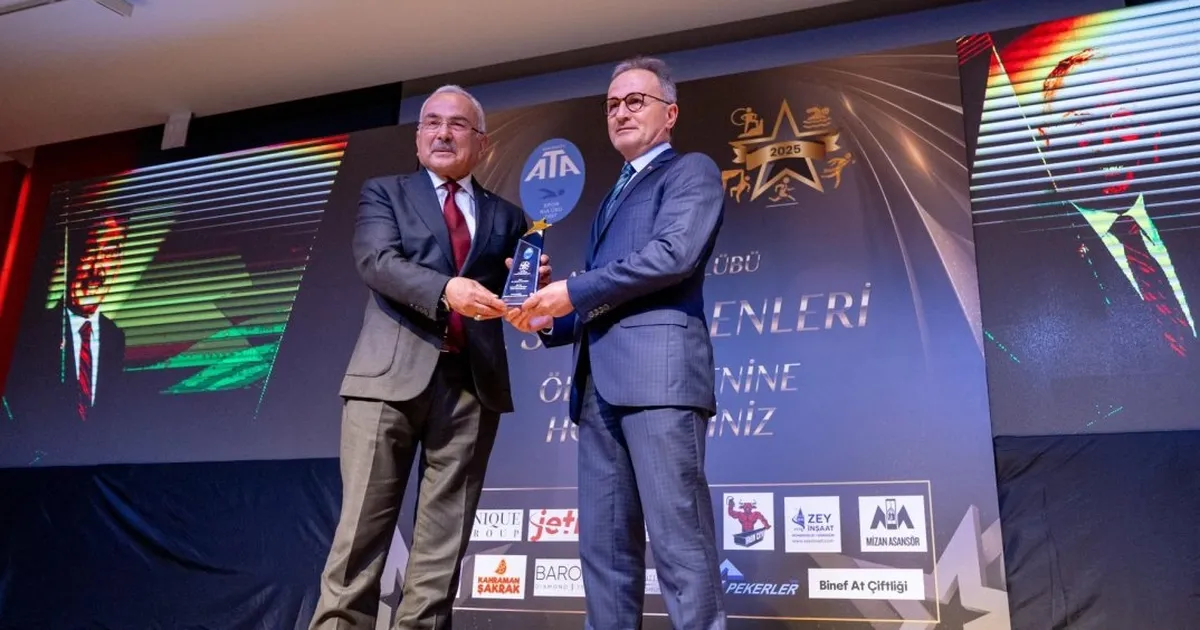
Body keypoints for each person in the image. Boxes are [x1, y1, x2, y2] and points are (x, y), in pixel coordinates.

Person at [309, 84, 549, 630]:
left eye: (457, 124)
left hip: (470, 387)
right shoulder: (385, 193)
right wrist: (446, 290)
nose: (443, 133)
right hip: (386, 384)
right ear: (418, 137)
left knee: (442, 550)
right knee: (360, 538)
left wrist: (531, 291)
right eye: (432, 123)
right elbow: (376, 261)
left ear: (482, 143)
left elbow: (510, 295)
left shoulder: (509, 216)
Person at [512, 56, 728, 630]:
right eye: (612, 104)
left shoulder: (691, 171)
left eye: (636, 101)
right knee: (604, 557)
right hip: (597, 393)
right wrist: (544, 315)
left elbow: (672, 257)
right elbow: (604, 298)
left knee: (682, 549)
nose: (621, 113)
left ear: (670, 114)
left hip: (660, 383)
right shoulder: (614, 194)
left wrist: (572, 291)